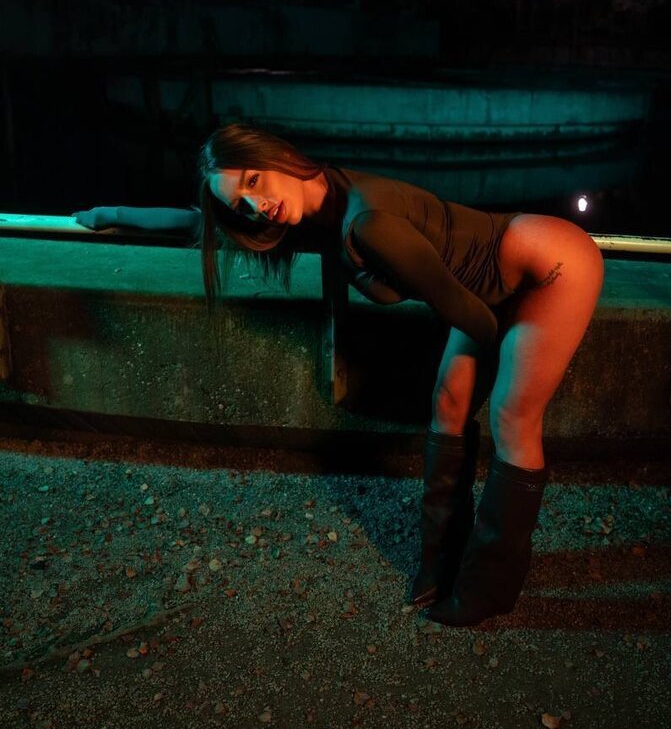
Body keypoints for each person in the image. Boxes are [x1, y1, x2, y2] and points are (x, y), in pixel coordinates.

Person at [74, 121, 605, 628]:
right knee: (448, 404)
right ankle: (441, 560)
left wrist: (514, 355)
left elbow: (473, 318)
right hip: (487, 288)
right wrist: (109, 213)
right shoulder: (317, 209)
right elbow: (203, 225)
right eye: (241, 203)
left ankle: (489, 588)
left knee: (512, 415)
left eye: (254, 182)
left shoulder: (364, 221)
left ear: (278, 156)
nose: (257, 205)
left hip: (549, 265)